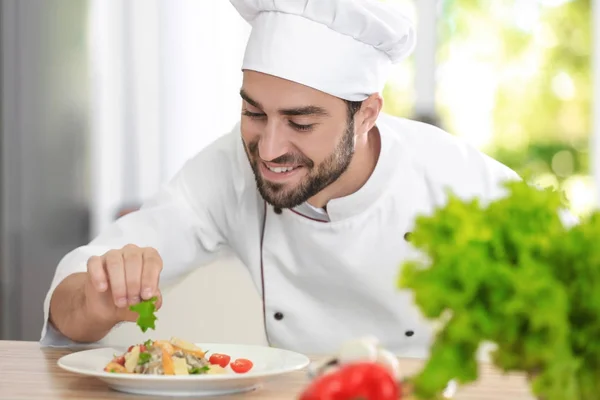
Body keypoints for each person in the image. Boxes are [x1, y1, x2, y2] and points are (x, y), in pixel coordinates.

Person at [41, 0, 519, 357]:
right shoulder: (229, 164)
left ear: (368, 115)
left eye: (301, 123)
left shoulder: (455, 177)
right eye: (253, 112)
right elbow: (73, 296)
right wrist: (98, 300)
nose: (269, 150)